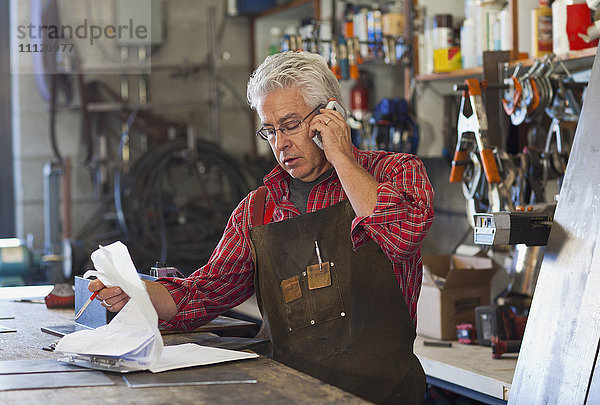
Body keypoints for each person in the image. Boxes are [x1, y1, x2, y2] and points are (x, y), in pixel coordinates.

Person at [90, 51, 435, 404]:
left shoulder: (397, 173)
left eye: (290, 125)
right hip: (289, 394)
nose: (280, 143)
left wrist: (341, 157)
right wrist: (136, 293)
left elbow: (401, 237)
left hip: (384, 394)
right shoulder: (257, 209)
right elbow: (204, 293)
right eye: (270, 130)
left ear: (330, 116)